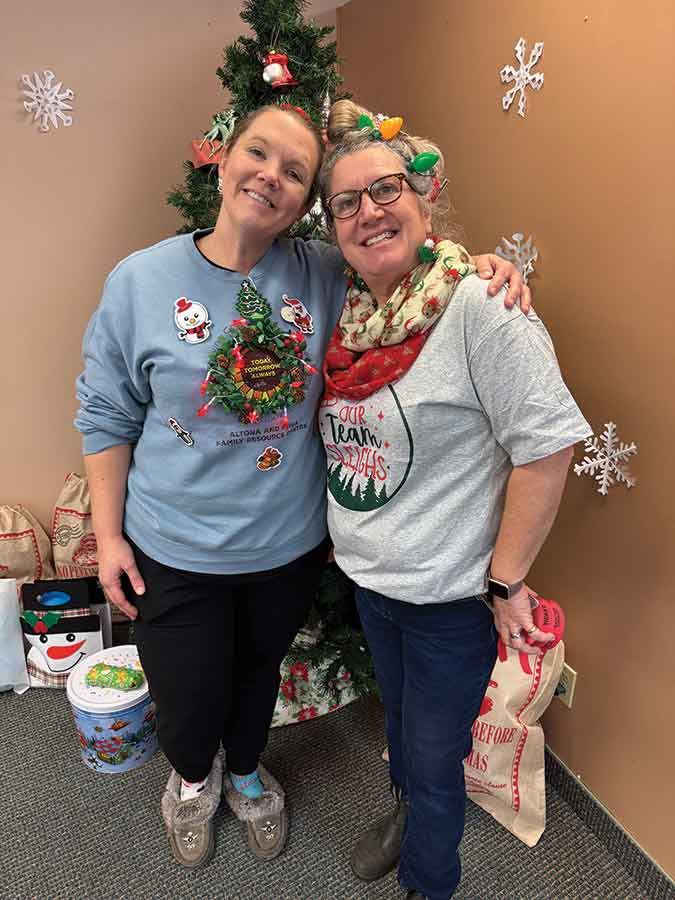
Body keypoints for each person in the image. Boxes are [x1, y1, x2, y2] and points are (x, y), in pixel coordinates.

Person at [74, 103, 530, 870]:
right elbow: (105, 412)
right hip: (172, 548)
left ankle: (247, 772)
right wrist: (109, 535)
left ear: (302, 202)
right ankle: (192, 780)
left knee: (258, 680)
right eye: (257, 154)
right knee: (185, 698)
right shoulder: (141, 281)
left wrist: (479, 267)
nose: (270, 177)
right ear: (223, 159)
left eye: (294, 172)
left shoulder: (321, 272)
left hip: (283, 549)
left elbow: (404, 262)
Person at [316, 100, 591, 900]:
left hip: (447, 600)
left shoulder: (479, 307)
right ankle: (404, 812)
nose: (368, 211)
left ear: (424, 197)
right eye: (345, 201)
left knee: (437, 764)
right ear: (331, 227)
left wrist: (505, 579)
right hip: (372, 582)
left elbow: (546, 448)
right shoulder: (348, 312)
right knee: (402, 730)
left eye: (386, 188)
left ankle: (427, 882)